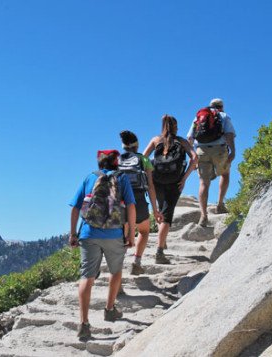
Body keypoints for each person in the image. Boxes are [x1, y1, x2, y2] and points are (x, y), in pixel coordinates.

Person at [69, 150, 136, 341]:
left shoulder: (90, 177)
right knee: (115, 272)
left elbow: (75, 207)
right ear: (116, 163)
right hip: (114, 234)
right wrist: (131, 234)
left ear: (100, 163)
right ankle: (109, 309)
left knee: (86, 277)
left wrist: (73, 233)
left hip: (89, 233)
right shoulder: (122, 178)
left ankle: (83, 324)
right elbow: (130, 206)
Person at [143, 115, 197, 263]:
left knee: (161, 209)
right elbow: (194, 158)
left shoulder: (155, 140)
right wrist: (184, 178)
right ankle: (159, 252)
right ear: (175, 127)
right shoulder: (182, 141)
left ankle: (162, 239)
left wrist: (149, 174)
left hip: (156, 180)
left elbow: (143, 158)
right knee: (167, 214)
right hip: (175, 182)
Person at [119, 130, 164, 275]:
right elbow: (150, 186)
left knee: (123, 237)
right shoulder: (143, 160)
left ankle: (117, 270)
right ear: (137, 146)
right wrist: (155, 209)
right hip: (138, 200)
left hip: (121, 202)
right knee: (144, 232)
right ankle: (136, 262)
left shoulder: (116, 160)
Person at [187, 98, 236, 226]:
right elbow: (229, 135)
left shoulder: (198, 117)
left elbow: (189, 138)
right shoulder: (223, 116)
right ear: (221, 107)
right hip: (219, 150)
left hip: (201, 151)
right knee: (225, 174)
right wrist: (233, 151)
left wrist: (191, 157)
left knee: (203, 182)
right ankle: (220, 205)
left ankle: (203, 215)